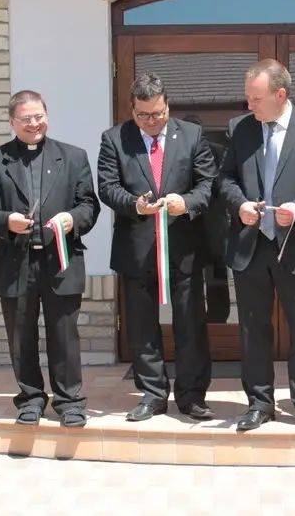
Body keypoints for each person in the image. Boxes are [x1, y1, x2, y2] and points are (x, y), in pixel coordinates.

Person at [219, 59, 295, 432]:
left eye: (256, 98)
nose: (249, 105)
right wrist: (240, 205)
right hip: (251, 245)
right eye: (248, 98)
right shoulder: (240, 128)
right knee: (252, 330)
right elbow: (225, 179)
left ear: (281, 94)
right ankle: (259, 403)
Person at [0, 90, 100, 427]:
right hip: (15, 262)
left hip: (61, 261)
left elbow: (89, 205)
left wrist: (71, 219)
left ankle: (70, 402)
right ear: (12, 122)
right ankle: (30, 399)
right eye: (26, 118)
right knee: (21, 336)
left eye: (39, 116)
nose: (34, 123)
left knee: (64, 336)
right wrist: (6, 222)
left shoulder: (73, 157)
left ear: (47, 116)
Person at [97, 73, 217, 421]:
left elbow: (208, 183)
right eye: (143, 115)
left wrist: (186, 202)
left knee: (190, 324)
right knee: (141, 326)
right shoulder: (114, 139)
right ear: (132, 109)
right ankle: (152, 395)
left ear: (168, 105)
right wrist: (134, 204)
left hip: (183, 247)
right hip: (137, 248)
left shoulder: (192, 135)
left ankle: (192, 395)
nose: (152, 121)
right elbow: (107, 186)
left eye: (158, 113)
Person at [182, 114, 231, 324]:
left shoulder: (217, 151)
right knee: (189, 275)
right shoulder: (177, 154)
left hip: (214, 223)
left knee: (217, 274)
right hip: (186, 224)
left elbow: (224, 186)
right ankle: (195, 320)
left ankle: (218, 320)